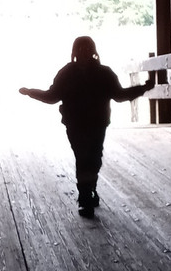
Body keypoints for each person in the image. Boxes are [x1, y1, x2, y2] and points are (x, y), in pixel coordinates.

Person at [19, 36, 154, 217]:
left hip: (97, 124)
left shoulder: (104, 73)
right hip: (75, 124)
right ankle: (85, 198)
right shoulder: (67, 73)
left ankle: (90, 188)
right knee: (84, 158)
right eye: (80, 49)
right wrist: (31, 92)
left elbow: (119, 95)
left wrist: (143, 88)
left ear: (93, 51)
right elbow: (52, 96)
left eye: (86, 48)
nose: (83, 52)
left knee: (94, 158)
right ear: (75, 52)